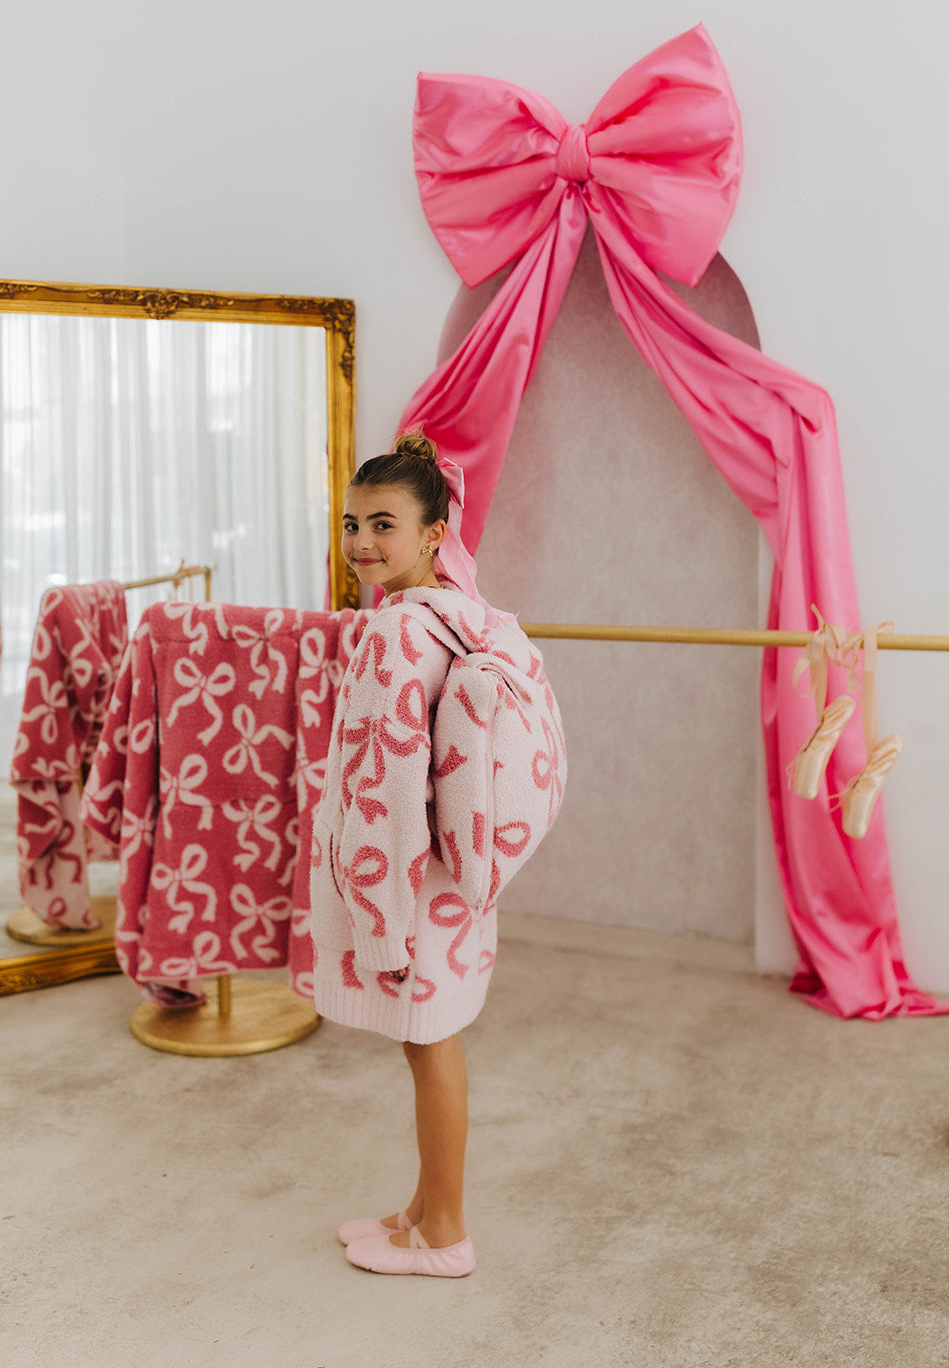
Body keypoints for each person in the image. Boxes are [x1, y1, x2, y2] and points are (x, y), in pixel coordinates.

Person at [309, 430, 563, 1279]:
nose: (360, 543)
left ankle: (445, 1234)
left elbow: (381, 791)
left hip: (408, 881)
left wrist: (377, 929)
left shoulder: (392, 636)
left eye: (383, 524)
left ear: (431, 533)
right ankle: (419, 1209)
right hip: (454, 878)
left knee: (429, 1046)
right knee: (436, 1038)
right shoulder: (468, 620)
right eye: (351, 523)